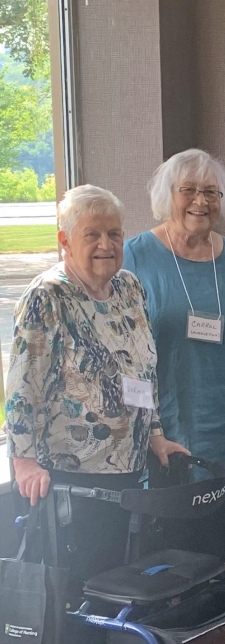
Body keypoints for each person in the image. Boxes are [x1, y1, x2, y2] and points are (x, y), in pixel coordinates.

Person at [6, 184, 188, 588]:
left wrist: (155, 436)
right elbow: (23, 385)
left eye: (114, 233)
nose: (106, 244)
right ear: (65, 240)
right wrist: (23, 461)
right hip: (72, 478)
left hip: (128, 468)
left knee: (119, 579)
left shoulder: (129, 288)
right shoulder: (47, 296)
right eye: (92, 234)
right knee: (83, 585)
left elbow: (144, 369)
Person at [124, 148, 225, 574]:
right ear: (165, 195)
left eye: (211, 192)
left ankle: (224, 640)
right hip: (170, 436)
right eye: (187, 190)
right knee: (175, 570)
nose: (200, 201)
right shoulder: (136, 258)